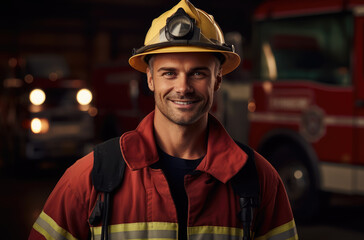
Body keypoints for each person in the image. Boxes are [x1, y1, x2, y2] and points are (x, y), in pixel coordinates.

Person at [29, 1, 298, 239]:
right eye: (169, 73)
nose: (183, 87)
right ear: (149, 78)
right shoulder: (90, 178)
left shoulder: (260, 180)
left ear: (218, 79)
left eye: (198, 73)